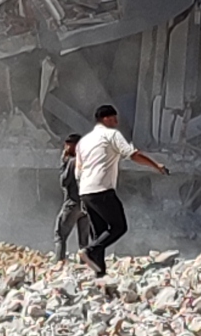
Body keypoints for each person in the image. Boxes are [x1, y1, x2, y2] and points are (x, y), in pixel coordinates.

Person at [69, 105, 164, 278]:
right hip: (102, 189)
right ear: (105, 119)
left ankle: (100, 273)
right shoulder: (112, 135)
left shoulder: (84, 142)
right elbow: (132, 154)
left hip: (85, 191)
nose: (117, 122)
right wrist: (155, 165)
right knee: (119, 227)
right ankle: (90, 250)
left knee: (100, 233)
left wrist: (82, 196)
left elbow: (78, 171)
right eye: (114, 118)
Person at [51, 134, 89, 261]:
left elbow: (64, 181)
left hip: (72, 204)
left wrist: (64, 162)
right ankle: (85, 262)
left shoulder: (73, 162)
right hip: (86, 205)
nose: (65, 147)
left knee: (60, 235)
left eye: (69, 144)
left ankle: (59, 261)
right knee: (84, 240)